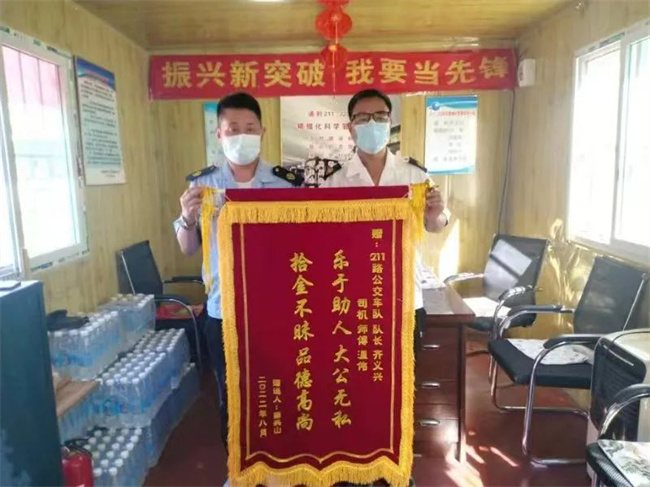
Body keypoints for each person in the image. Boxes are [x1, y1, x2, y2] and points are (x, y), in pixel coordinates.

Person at [174, 92, 298, 456]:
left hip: (276, 312)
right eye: (233, 129)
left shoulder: (285, 183)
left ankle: (277, 462)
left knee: (278, 389)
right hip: (223, 310)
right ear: (219, 134)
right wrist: (187, 218)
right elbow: (187, 247)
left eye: (249, 128)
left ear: (262, 131)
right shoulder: (203, 185)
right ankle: (239, 466)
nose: (241, 135)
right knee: (232, 393)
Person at [320, 88, 450, 351]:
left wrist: (435, 216)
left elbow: (436, 224)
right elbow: (321, 238)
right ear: (350, 128)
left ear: (390, 123)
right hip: (351, 296)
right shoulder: (335, 181)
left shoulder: (414, 175)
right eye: (363, 118)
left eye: (380, 117)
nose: (372, 123)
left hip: (404, 295)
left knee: (403, 374)